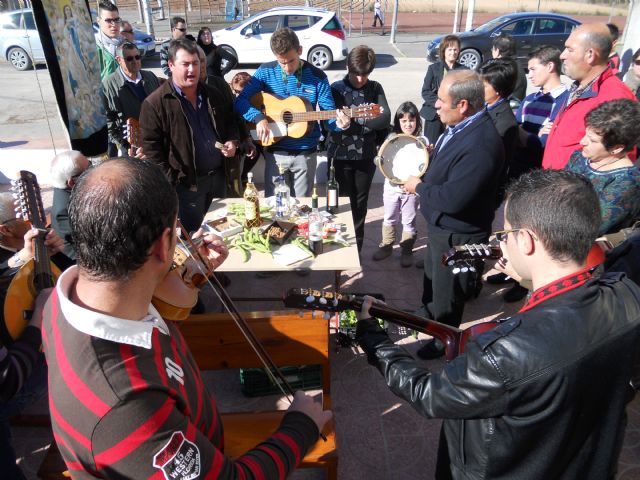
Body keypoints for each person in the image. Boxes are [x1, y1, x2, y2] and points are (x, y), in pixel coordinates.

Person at [42, 157, 331, 479]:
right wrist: (301, 425)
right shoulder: (129, 409)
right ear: (163, 245)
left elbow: (152, 313)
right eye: (178, 233)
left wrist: (194, 271)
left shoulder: (64, 297)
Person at [355, 168, 640, 480]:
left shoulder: (505, 352)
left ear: (528, 240)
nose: (502, 243)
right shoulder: (628, 295)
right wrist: (532, 280)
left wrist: (374, 336)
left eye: (505, 234)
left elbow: (429, 394)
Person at [403, 70, 505, 359]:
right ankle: (428, 311)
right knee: (433, 276)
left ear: (462, 105)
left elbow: (453, 198)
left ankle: (444, 337)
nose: (435, 105)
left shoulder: (481, 144)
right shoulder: (463, 126)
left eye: (441, 100)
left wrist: (418, 186)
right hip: (441, 227)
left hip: (458, 230)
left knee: (449, 291)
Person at [486, 47, 567, 301]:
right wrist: (531, 136)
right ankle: (509, 269)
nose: (529, 75)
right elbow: (521, 133)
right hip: (518, 171)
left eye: (533, 69)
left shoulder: (563, 100)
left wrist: (526, 136)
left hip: (539, 175)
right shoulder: (532, 99)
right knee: (510, 226)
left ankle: (524, 281)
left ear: (550, 67)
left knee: (529, 231)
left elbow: (544, 143)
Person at [235, 27, 350, 197]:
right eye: (282, 62)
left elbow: (328, 116)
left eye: (291, 61)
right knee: (275, 208)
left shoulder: (317, 76)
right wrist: (259, 117)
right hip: (274, 152)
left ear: (300, 51)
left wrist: (340, 124)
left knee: (302, 209)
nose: (287, 68)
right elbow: (240, 101)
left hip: (305, 154)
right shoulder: (265, 72)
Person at [0, 193, 68, 480]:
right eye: (23, 221)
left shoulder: (11, 252)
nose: (31, 224)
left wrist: (30, 255)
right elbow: (6, 381)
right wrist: (38, 324)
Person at [140, 39, 239, 233]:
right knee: (194, 240)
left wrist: (232, 141)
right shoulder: (155, 104)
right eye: (185, 64)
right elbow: (153, 153)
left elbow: (231, 124)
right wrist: (175, 181)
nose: (192, 69)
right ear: (171, 65)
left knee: (223, 235)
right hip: (187, 189)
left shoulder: (212, 93)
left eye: (195, 63)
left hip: (219, 180)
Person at [542, 23, 637, 170]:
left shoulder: (616, 97)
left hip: (574, 189)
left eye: (569, 49)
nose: (562, 55)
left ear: (590, 55)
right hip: (553, 184)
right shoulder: (579, 86)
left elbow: (621, 161)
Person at [326, 45, 391, 253]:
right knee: (338, 201)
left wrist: (355, 123)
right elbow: (332, 123)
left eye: (366, 74)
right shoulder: (336, 89)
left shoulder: (375, 88)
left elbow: (384, 118)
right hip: (339, 155)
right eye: (356, 73)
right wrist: (365, 124)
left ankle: (356, 248)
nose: (361, 79)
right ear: (348, 67)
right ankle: (338, 245)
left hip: (365, 156)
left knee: (360, 204)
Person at [566, 99, 640, 235]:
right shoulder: (580, 157)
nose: (582, 142)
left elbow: (590, 228)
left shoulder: (627, 183)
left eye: (592, 140)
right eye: (586, 135)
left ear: (616, 148)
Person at [372, 101, 422, 267]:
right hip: (391, 188)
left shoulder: (421, 141)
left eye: (412, 120)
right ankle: (387, 246)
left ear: (417, 121)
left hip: (411, 190)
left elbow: (424, 164)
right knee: (389, 218)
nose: (408, 124)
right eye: (404, 121)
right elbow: (381, 160)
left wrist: (429, 151)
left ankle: (407, 250)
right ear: (398, 122)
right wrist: (378, 159)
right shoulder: (391, 139)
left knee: (409, 221)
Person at [102, 42, 160, 157]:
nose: (135, 61)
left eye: (137, 57)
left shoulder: (150, 77)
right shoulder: (108, 84)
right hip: (130, 146)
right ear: (119, 60)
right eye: (129, 58)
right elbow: (108, 120)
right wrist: (123, 144)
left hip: (155, 141)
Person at [420, 34, 467, 143]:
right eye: (450, 49)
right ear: (444, 51)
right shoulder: (433, 68)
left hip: (454, 114)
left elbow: (466, 93)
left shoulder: (464, 70)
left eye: (455, 49)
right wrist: (439, 104)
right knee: (431, 146)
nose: (453, 52)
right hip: (435, 113)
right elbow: (425, 91)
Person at [50, 150, 90, 260]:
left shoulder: (74, 189)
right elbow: (91, 241)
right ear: (72, 183)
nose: (95, 170)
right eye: (89, 169)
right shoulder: (64, 212)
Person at [230, 71, 262, 183]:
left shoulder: (255, 98)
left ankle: (243, 176)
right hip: (241, 135)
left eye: (241, 92)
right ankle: (242, 178)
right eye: (235, 91)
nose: (238, 95)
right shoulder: (233, 100)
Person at [491, 33, 527, 102]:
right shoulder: (516, 63)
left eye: (492, 49)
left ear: (497, 51)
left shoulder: (503, 67)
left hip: (507, 107)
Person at [94, 0, 122, 80]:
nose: (114, 25)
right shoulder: (93, 46)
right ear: (98, 21)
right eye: (109, 21)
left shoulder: (124, 43)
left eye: (116, 20)